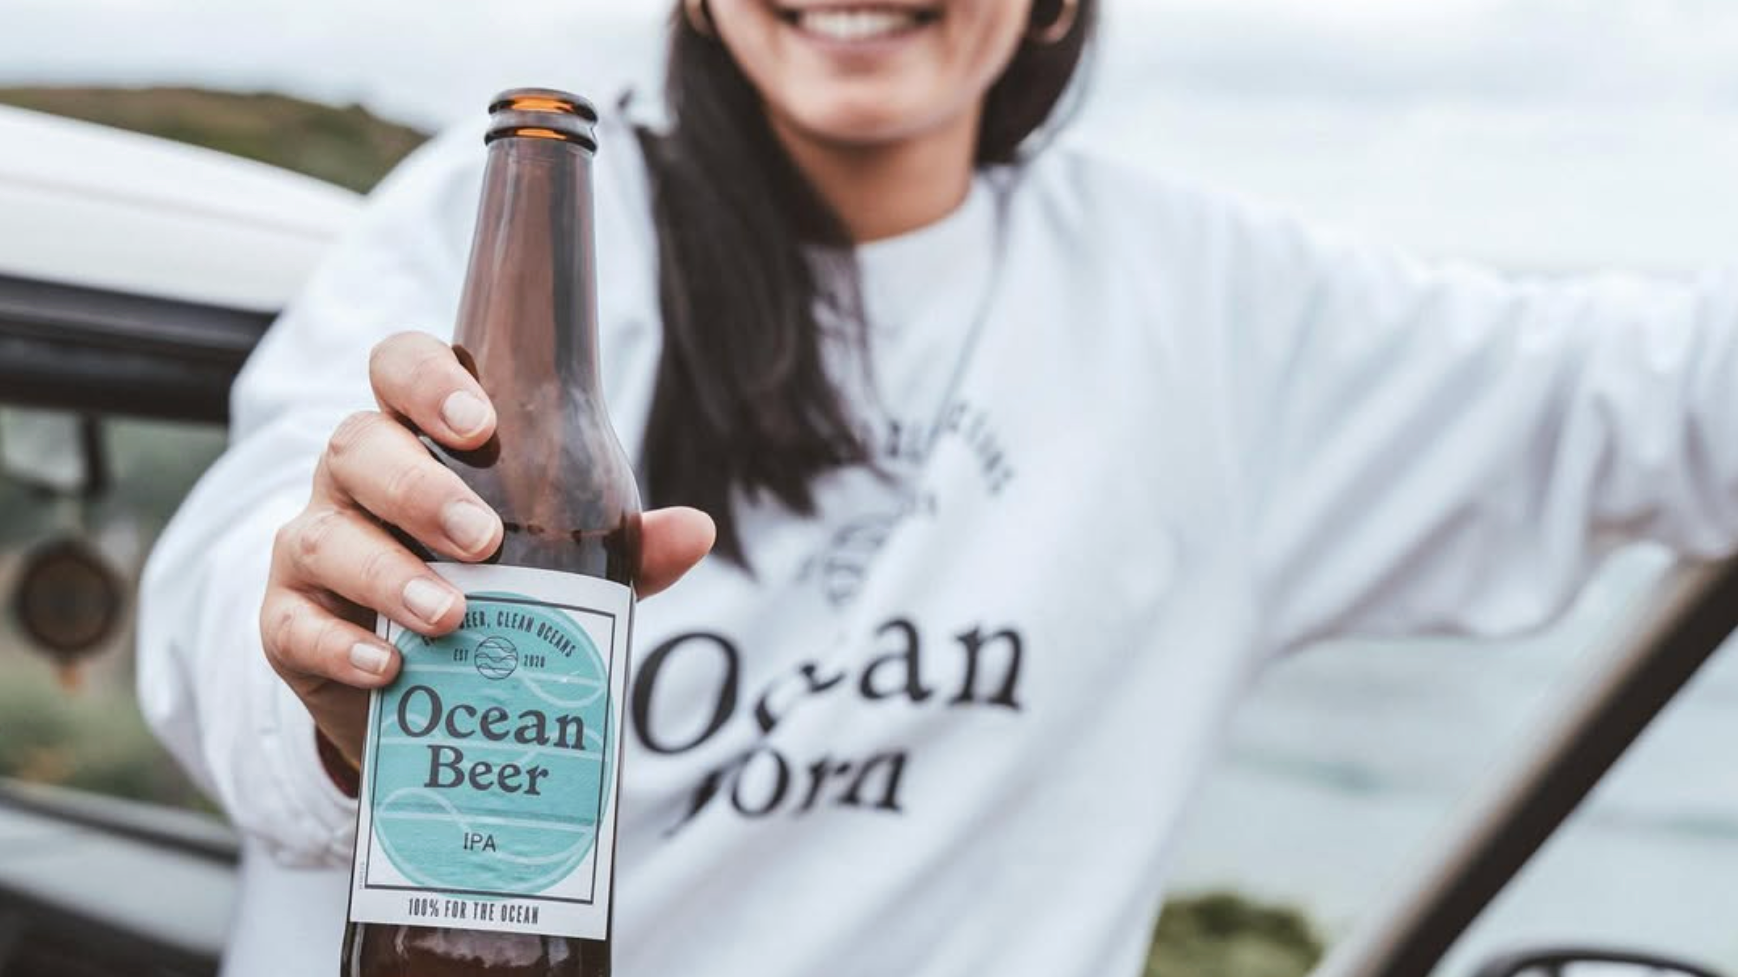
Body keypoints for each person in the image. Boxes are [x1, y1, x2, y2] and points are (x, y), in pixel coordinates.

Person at [139, 1, 1738, 974]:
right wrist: (332, 670)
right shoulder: (497, 225)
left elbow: (1656, 396)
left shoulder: (1213, 308)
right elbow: (231, 583)